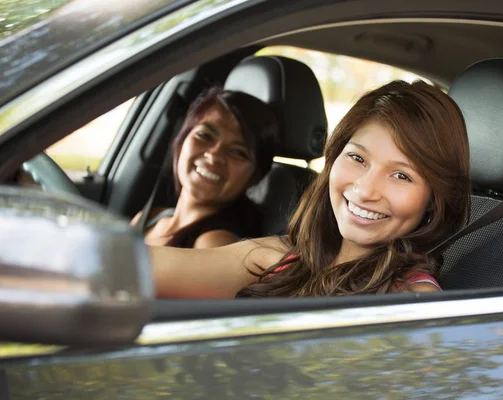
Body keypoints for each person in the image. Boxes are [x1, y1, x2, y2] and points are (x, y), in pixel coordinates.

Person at [151, 80, 471, 298]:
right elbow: (140, 269)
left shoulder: (414, 302)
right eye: (357, 157)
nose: (365, 190)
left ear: (433, 200)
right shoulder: (279, 258)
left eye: (402, 176)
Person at [132, 86, 279, 249]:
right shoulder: (151, 217)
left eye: (238, 152)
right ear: (182, 141)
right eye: (204, 136)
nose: (214, 156)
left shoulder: (215, 244)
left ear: (254, 176)